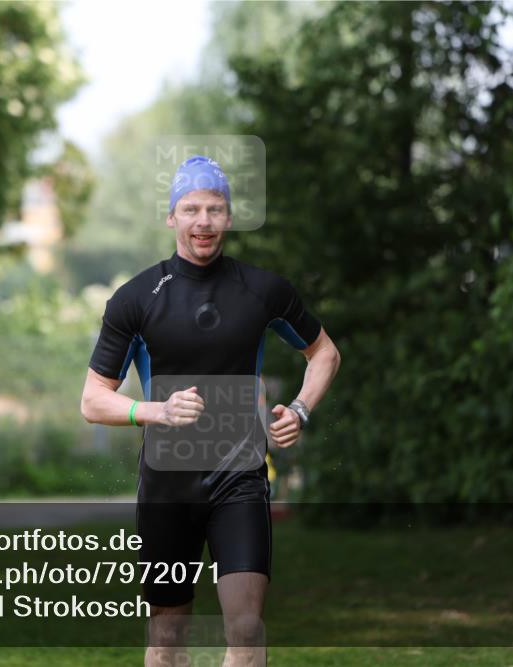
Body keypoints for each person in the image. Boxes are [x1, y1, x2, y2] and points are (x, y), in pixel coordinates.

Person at [80, 155, 341, 666]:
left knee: (246, 628)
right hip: (166, 485)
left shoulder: (264, 291)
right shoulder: (135, 299)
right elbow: (92, 399)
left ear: (229, 216)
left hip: (239, 477)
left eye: (215, 209)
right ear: (171, 217)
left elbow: (324, 353)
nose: (204, 221)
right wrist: (155, 412)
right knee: (168, 641)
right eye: (192, 209)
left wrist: (301, 410)